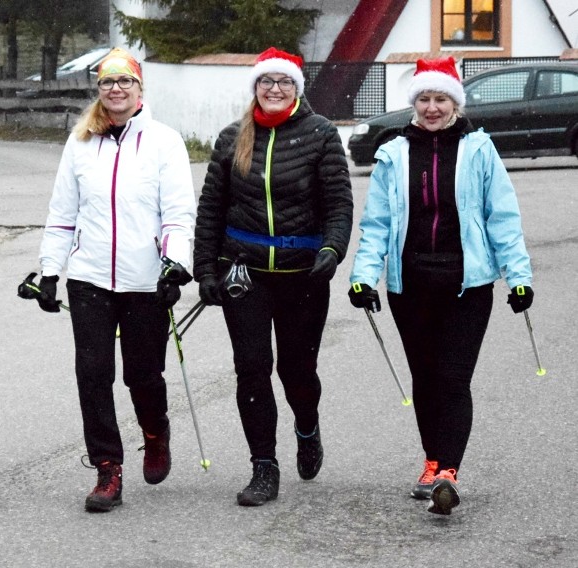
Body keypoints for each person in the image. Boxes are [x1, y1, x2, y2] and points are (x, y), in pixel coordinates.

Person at [348, 56, 533, 516]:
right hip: (409, 286)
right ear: (415, 103)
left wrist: (519, 276)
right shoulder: (394, 152)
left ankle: (448, 471)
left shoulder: (479, 150)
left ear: (455, 103)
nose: (432, 107)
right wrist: (362, 276)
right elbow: (376, 223)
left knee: (453, 376)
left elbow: (502, 217)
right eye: (425, 98)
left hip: (467, 286)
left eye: (441, 98)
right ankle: (431, 462)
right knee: (425, 378)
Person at [35, 48, 196, 512]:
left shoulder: (164, 141)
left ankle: (155, 432)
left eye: (125, 82)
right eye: (108, 83)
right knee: (93, 373)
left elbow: (178, 214)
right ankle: (108, 469)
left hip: (146, 279)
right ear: (99, 91)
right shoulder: (81, 141)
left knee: (142, 375)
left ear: (140, 90)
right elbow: (62, 214)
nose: (116, 90)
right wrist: (51, 271)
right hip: (88, 280)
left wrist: (175, 264)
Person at [193, 47, 353, 506]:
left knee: (297, 369)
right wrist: (206, 268)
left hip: (303, 272)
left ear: (297, 89)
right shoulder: (232, 137)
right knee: (252, 367)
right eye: (267, 82)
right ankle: (264, 466)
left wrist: (332, 247)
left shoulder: (321, 135)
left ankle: (307, 426)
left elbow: (339, 203)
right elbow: (211, 209)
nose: (275, 89)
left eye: (284, 82)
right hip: (244, 273)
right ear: (256, 88)